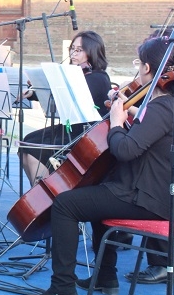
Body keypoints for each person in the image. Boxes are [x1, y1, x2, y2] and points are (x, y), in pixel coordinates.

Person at [25, 36, 174, 295]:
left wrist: (117, 122)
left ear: (148, 69)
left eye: (138, 64)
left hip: (154, 200)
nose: (137, 70)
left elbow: (126, 150)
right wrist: (131, 113)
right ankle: (106, 277)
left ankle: (62, 290)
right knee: (99, 190)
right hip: (170, 196)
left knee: (65, 204)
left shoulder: (162, 107)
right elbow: (150, 134)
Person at [17, 31, 112, 186]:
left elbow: (70, 96)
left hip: (86, 134)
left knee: (36, 151)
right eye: (72, 48)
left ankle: (47, 197)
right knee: (27, 143)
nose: (73, 53)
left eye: (79, 50)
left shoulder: (98, 78)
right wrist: (33, 92)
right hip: (70, 128)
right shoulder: (76, 74)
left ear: (92, 52)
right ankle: (37, 194)